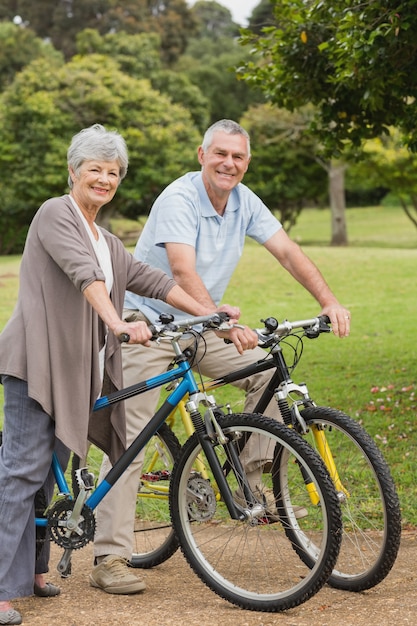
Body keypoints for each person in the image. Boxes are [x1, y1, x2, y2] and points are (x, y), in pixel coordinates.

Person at [0, 123, 254, 625]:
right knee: (22, 472)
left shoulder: (107, 240)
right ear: (74, 172)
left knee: (49, 480)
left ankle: (33, 571)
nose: (104, 179)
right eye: (94, 168)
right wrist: (116, 322)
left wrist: (210, 316)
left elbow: (154, 281)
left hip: (76, 371)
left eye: (113, 172)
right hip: (36, 363)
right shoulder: (56, 214)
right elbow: (85, 277)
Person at [90, 118, 351, 595]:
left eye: (239, 156)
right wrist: (223, 322)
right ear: (202, 155)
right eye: (221, 154)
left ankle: (251, 485)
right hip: (147, 325)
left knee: (265, 373)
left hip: (200, 322)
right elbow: (182, 269)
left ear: (246, 162)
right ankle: (109, 557)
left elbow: (289, 252)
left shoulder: (243, 201)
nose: (229, 163)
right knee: (131, 440)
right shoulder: (179, 199)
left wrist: (327, 301)